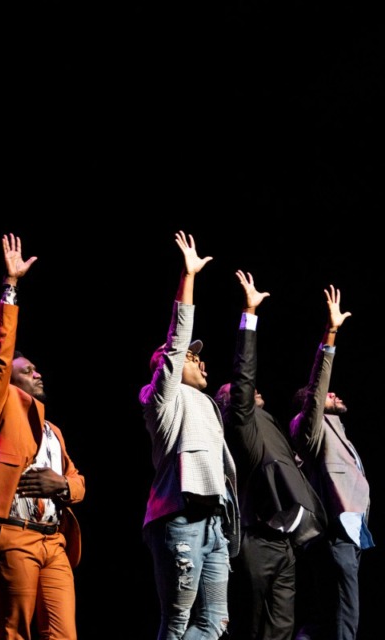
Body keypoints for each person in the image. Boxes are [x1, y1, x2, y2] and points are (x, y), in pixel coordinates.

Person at [0, 233, 85, 640]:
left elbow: (79, 482)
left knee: (63, 635)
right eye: (28, 370)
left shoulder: (53, 431)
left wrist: (64, 487)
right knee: (15, 632)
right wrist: (11, 288)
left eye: (37, 369)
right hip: (13, 532)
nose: (38, 373)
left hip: (53, 542)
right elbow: (0, 358)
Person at [213, 271, 326, 640]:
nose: (253, 389)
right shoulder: (241, 423)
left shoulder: (272, 424)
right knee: (254, 626)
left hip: (286, 544)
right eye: (241, 392)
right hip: (256, 541)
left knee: (283, 627)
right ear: (230, 405)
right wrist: (249, 313)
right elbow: (243, 377)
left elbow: (313, 408)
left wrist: (329, 339)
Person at [139, 230, 239, 640]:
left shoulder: (207, 404)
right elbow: (177, 342)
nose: (201, 364)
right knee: (178, 620)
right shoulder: (161, 397)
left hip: (214, 521)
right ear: (168, 364)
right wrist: (188, 277)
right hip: (179, 517)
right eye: (191, 358)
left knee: (215, 623)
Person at [289, 285, 372, 640]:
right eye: (326, 394)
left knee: (331, 612)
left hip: (350, 532)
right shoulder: (310, 426)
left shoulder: (338, 431)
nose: (334, 394)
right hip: (334, 530)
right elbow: (318, 391)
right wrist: (331, 334)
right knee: (343, 611)